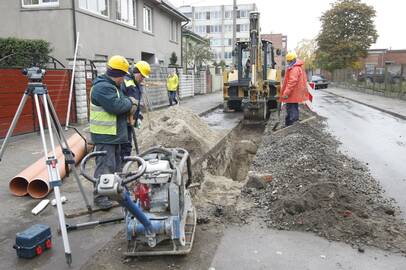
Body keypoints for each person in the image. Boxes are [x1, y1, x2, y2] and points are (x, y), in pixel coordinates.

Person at [89, 55, 138, 209]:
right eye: (123, 76)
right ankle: (100, 197)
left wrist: (126, 102)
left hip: (113, 135)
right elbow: (117, 106)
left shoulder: (112, 86)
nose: (123, 79)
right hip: (105, 136)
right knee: (105, 167)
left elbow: (121, 102)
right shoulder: (102, 87)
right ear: (118, 74)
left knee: (115, 166)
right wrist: (130, 102)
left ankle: (115, 192)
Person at [120, 60, 151, 160]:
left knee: (128, 145)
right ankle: (122, 169)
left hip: (130, 121)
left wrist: (138, 116)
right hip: (123, 122)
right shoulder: (125, 81)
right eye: (142, 76)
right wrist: (128, 117)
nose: (142, 79)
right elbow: (122, 102)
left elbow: (136, 103)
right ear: (136, 72)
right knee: (124, 147)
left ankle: (125, 167)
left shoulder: (136, 83)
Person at [280, 51, 309, 126]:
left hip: (293, 93)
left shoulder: (294, 69)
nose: (287, 62)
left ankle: (293, 125)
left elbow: (292, 82)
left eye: (288, 61)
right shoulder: (295, 67)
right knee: (290, 108)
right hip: (293, 93)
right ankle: (289, 124)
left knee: (292, 108)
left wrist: (286, 93)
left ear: (292, 60)